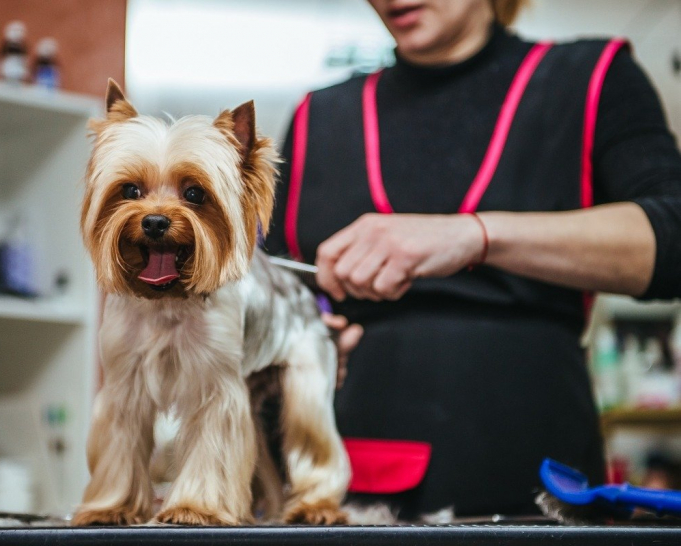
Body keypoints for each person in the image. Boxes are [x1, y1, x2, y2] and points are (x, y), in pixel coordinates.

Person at [264, 0, 681, 518]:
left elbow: (671, 240)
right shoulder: (319, 117)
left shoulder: (590, 77)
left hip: (542, 477)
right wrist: (309, 341)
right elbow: (269, 296)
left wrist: (476, 235)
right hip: (354, 482)